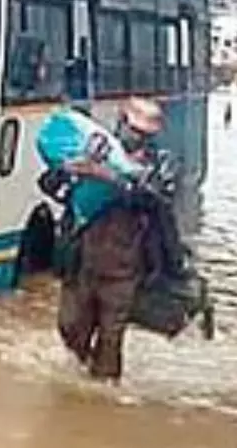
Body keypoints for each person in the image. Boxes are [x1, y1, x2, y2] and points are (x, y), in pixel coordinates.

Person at [40, 97, 164, 382]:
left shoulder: (160, 163)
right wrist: (69, 171)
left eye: (145, 134)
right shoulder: (94, 147)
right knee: (70, 327)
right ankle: (80, 373)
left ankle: (103, 389)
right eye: (134, 130)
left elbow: (154, 198)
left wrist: (109, 176)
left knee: (111, 342)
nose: (138, 138)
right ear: (121, 123)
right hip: (80, 260)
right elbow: (50, 184)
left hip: (124, 268)